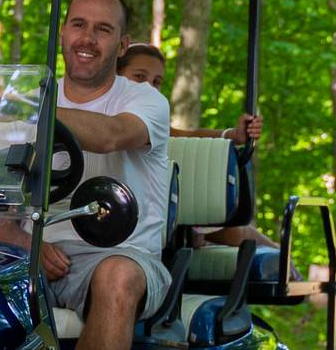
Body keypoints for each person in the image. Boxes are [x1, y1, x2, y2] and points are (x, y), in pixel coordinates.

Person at [39, 0, 173, 350]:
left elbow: (111, 135)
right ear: (63, 32)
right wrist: (23, 240)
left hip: (118, 252)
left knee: (118, 277)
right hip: (30, 250)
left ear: (121, 43)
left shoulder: (143, 100)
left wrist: (24, 107)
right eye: (78, 24)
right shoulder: (33, 95)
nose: (88, 38)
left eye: (103, 29)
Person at [115, 44, 268, 252]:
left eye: (156, 82)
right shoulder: (99, 114)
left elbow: (183, 135)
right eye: (139, 77)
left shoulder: (152, 123)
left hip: (156, 215)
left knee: (236, 233)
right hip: (120, 211)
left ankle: (285, 262)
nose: (148, 88)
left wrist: (232, 135)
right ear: (115, 74)